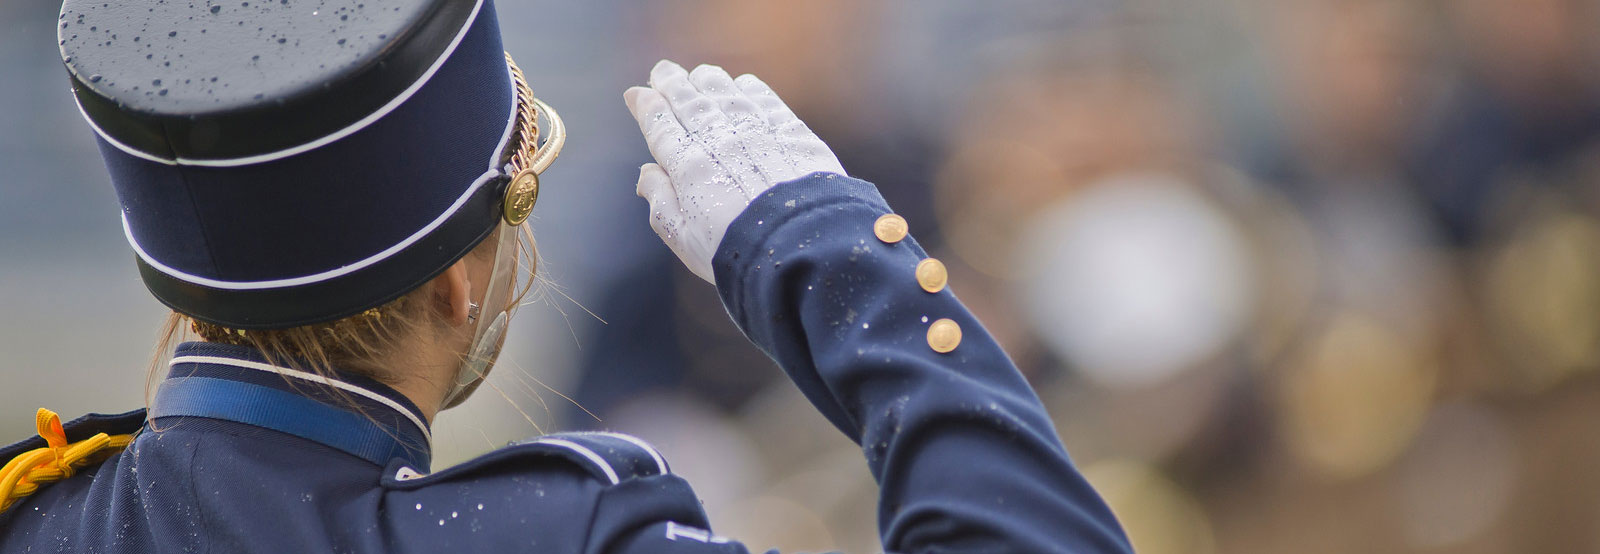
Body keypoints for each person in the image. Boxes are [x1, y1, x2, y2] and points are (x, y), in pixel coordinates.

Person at [0, 0, 1131, 551]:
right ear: (456, 284)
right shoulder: (553, 536)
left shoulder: (34, 510)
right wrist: (838, 255)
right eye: (515, 198)